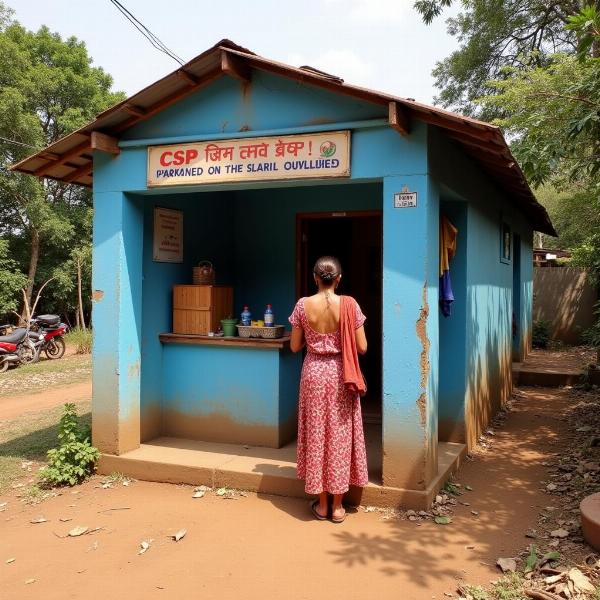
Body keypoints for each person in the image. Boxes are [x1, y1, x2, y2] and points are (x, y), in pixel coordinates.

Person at [288, 256, 369, 523]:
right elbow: (362, 347)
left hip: (313, 372)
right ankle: (337, 506)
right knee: (339, 437)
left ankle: (321, 505)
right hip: (340, 373)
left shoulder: (302, 305)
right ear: (338, 279)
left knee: (317, 434)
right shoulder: (350, 305)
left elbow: (295, 346)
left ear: (314, 278)